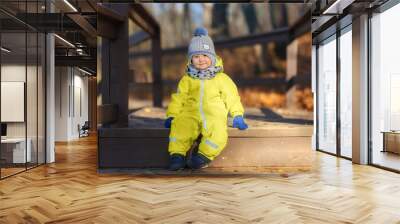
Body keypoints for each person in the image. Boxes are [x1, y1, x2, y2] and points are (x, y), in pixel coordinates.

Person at [164, 27, 248, 171]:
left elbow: (232, 97)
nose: (201, 59)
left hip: (214, 113)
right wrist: (172, 115)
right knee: (180, 126)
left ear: (212, 57)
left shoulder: (221, 78)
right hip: (191, 111)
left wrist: (237, 115)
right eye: (196, 57)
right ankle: (177, 155)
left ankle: (203, 156)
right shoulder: (187, 79)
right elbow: (179, 98)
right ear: (191, 60)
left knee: (218, 131)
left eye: (204, 55)